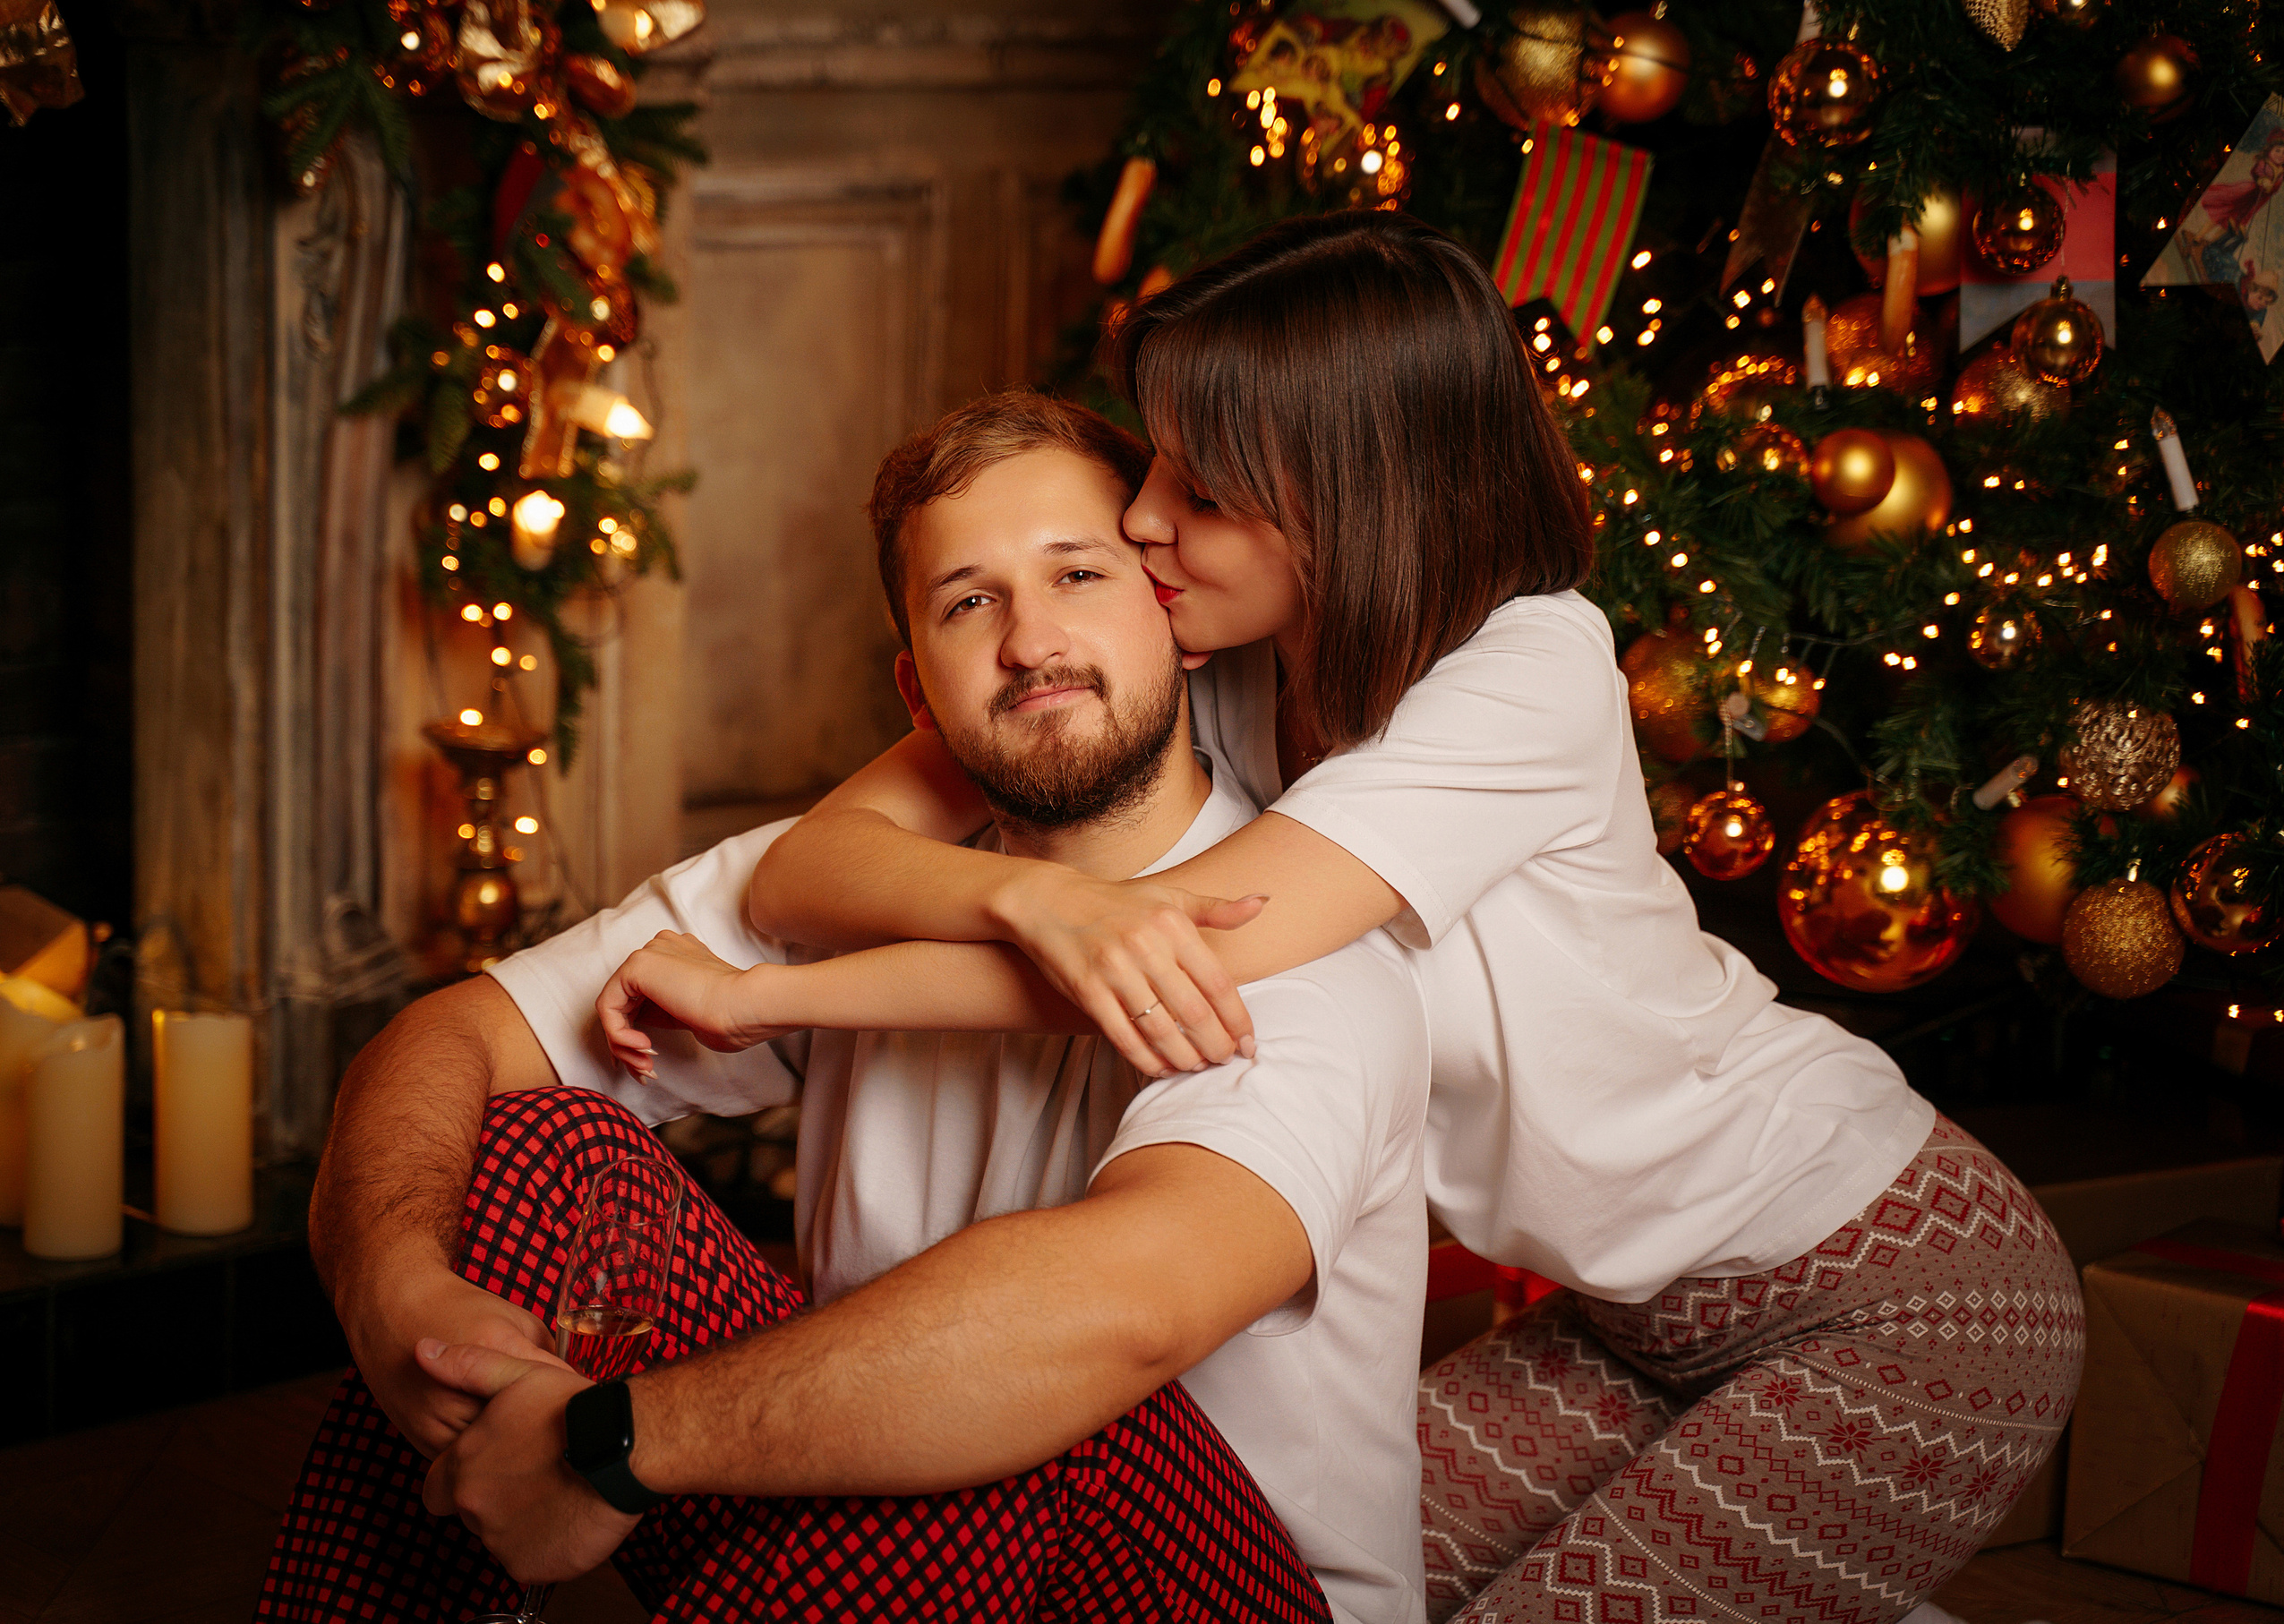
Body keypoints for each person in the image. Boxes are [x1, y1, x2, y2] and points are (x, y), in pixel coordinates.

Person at [617, 212, 2085, 1623]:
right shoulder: (1233, 664)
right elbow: (822, 856)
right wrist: (1007, 887)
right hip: (1621, 1316)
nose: (1140, 519)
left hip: (1899, 1296)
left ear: (1337, 493)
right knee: (1300, 1569)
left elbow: (1157, 955)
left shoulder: (1532, 667)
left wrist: (768, 1001)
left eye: (1195, 488)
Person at [260, 391, 1433, 1624]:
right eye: (969, 602)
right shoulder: (856, 878)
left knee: (1028, 1399)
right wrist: (391, 1286)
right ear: (917, 691)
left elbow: (1121, 1315)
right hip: (884, 1565)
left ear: (1176, 616)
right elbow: (447, 1035)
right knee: (552, 1148)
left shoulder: (1302, 939)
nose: (1031, 642)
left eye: (1078, 574)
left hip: (1217, 1585)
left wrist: (606, 1443)